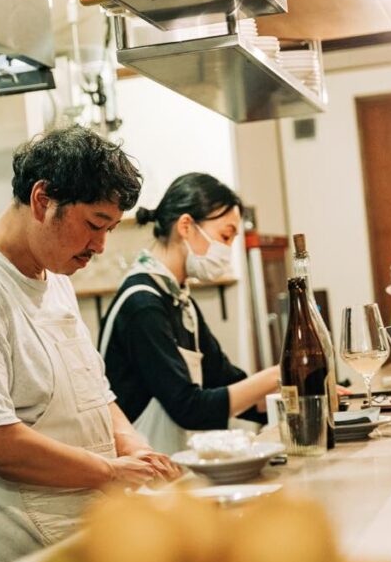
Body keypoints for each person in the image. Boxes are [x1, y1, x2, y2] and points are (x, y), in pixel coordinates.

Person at [0, 125, 180, 562]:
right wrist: (108, 471)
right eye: (95, 225)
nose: (100, 246)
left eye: (110, 229)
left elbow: (92, 392)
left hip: (66, 530)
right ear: (42, 200)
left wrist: (135, 449)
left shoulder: (54, 276)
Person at [98, 173, 278, 455]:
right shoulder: (142, 304)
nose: (227, 251)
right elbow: (188, 407)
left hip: (172, 465)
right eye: (225, 236)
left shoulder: (179, 300)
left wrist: (294, 396)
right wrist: (275, 377)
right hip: (140, 479)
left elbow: (226, 381)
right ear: (186, 226)